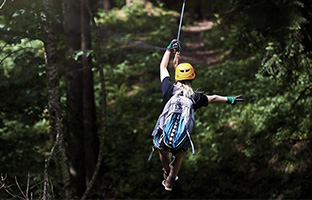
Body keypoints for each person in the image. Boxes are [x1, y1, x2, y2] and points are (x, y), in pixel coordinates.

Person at [157, 39, 243, 191]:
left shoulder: (168, 89)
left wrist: (169, 49)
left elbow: (163, 67)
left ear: (176, 77)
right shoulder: (195, 97)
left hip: (165, 136)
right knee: (178, 155)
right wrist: (229, 99)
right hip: (180, 139)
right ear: (192, 77)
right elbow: (214, 97)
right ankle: (171, 178)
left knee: (163, 151)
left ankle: (166, 171)